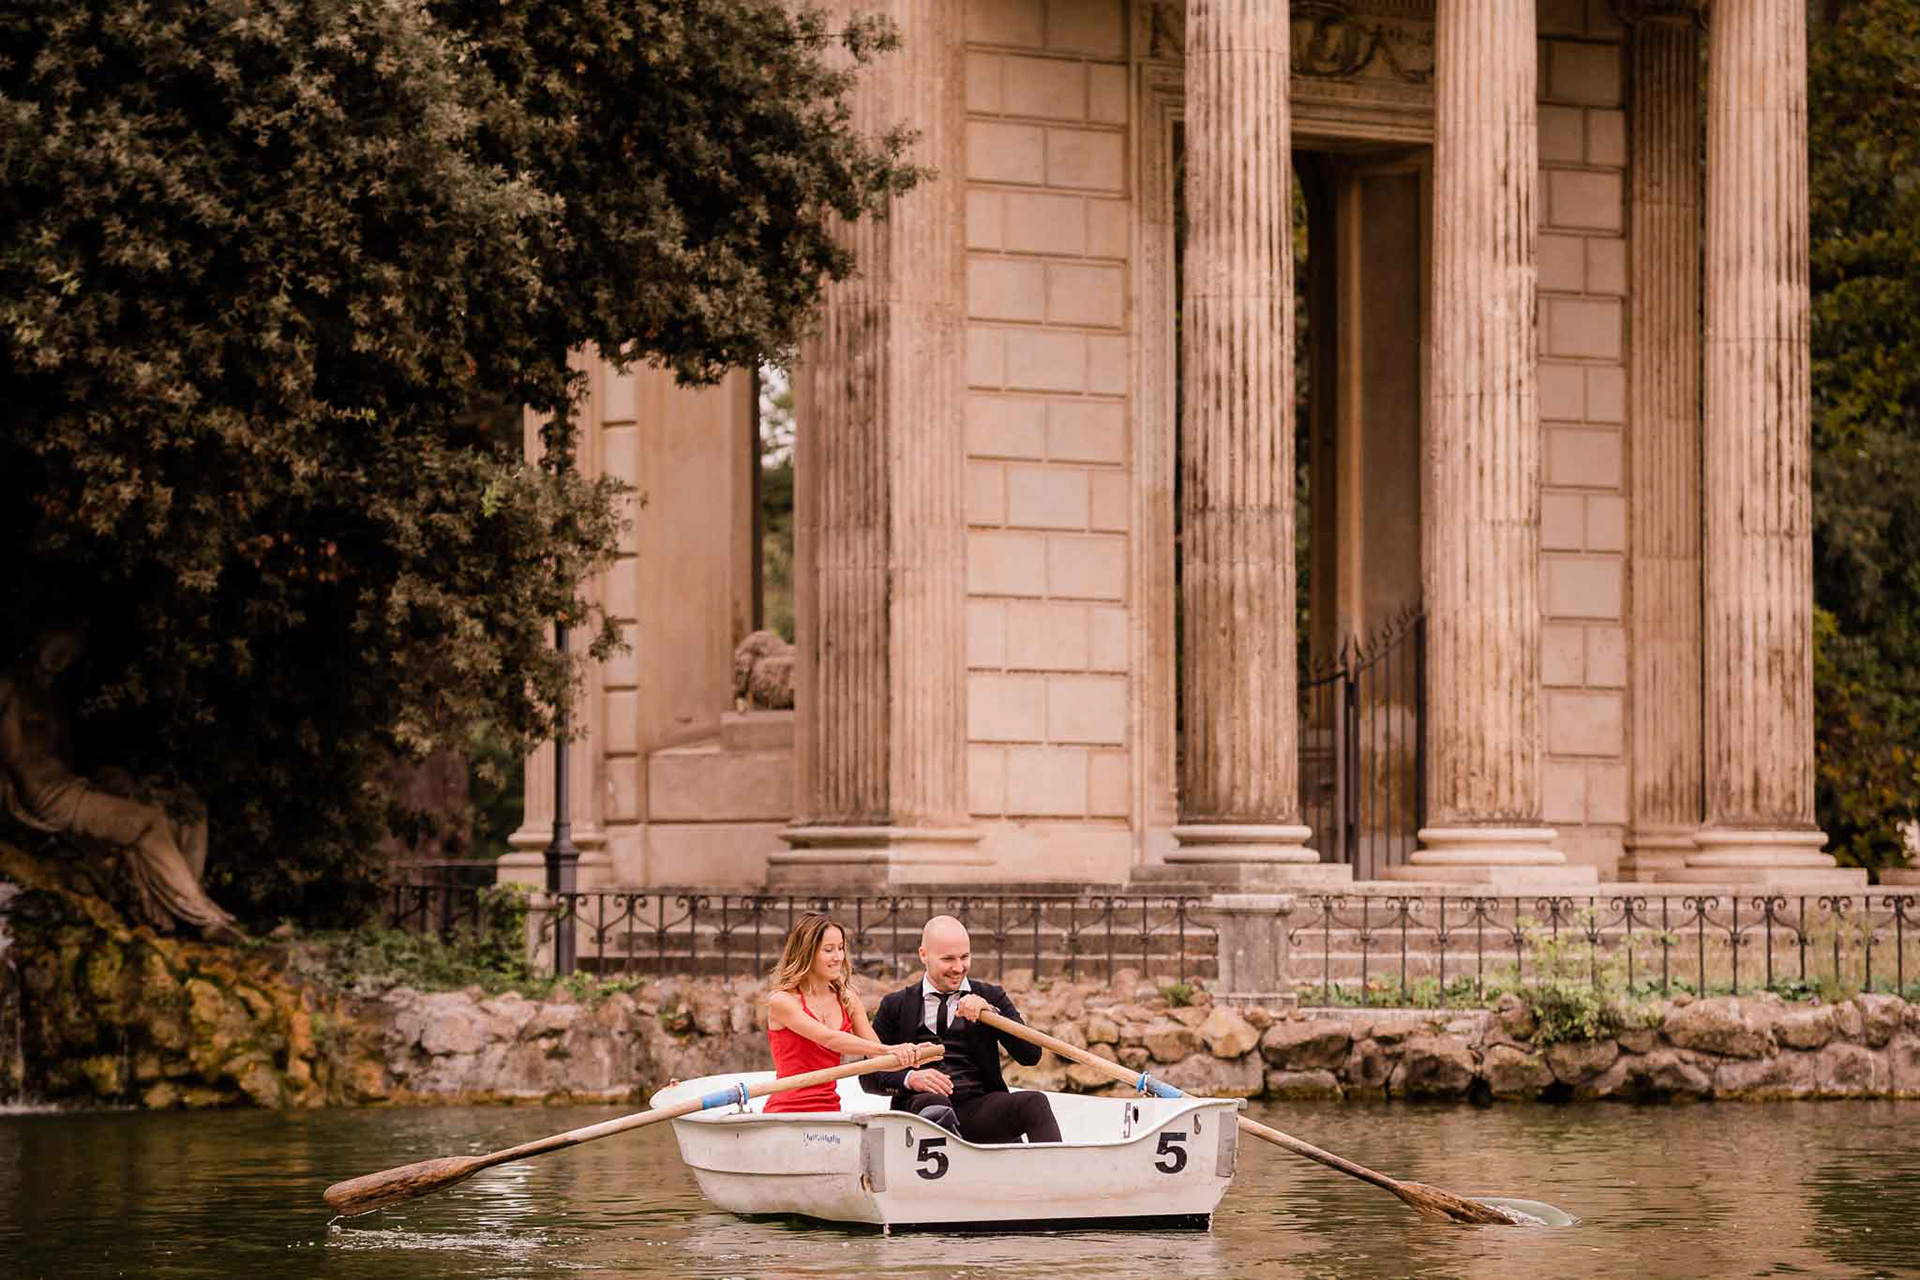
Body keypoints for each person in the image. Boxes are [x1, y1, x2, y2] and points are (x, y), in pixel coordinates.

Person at [0, 629, 241, 941]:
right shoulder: (10, 685)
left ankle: (179, 904)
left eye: (72, 651)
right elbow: (14, 755)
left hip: (70, 787)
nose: (64, 654)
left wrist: (104, 783)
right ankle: (205, 919)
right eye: (59, 642)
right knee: (147, 824)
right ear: (40, 639)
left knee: (186, 807)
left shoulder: (52, 699)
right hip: (48, 797)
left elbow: (65, 756)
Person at [861, 915, 1062, 1144]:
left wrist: (992, 1013)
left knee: (1034, 1103)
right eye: (948, 959)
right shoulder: (895, 1005)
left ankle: (1056, 1174)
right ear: (923, 955)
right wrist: (910, 1078)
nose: (958, 968)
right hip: (921, 1112)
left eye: (964, 957)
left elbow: (1031, 1055)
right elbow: (868, 1077)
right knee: (935, 1105)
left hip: (979, 1109)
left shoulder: (991, 996)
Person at [763, 912, 933, 1113]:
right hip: (786, 1111)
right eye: (828, 950)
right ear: (807, 952)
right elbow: (829, 1039)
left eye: (841, 948)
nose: (838, 957)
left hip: (829, 1110)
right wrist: (888, 1050)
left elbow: (877, 1060)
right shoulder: (782, 1001)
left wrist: (911, 1054)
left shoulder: (847, 998)